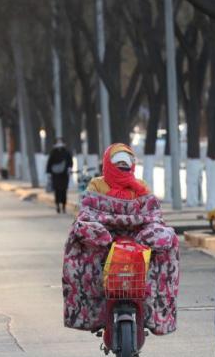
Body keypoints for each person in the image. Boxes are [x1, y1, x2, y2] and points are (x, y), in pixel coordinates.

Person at [61, 143, 178, 336]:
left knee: (167, 239)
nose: (123, 165)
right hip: (105, 237)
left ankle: (155, 313)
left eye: (127, 161)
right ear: (108, 163)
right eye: (117, 161)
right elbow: (87, 212)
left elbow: (154, 214)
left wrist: (147, 232)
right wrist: (98, 230)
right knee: (79, 236)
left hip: (137, 238)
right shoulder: (97, 185)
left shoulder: (141, 187)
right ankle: (91, 312)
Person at [45, 139, 74, 213]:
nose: (59, 144)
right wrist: (49, 173)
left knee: (64, 191)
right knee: (57, 191)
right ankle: (57, 205)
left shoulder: (66, 152)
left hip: (64, 175)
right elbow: (49, 163)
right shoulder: (53, 152)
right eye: (58, 142)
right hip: (55, 176)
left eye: (60, 142)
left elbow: (70, 162)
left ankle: (64, 206)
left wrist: (69, 169)